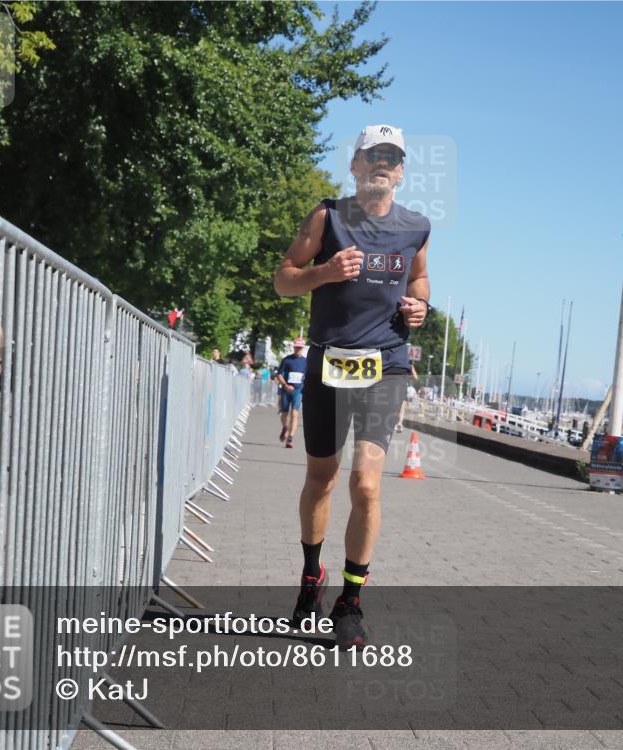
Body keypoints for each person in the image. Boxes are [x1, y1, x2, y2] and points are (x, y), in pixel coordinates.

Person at [273, 124, 430, 648]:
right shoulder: (328, 216)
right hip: (329, 362)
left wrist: (420, 305)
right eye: (372, 154)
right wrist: (324, 273)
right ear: (355, 165)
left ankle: (351, 601)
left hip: (386, 365)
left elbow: (419, 279)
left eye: (392, 156)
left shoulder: (417, 227)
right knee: (321, 479)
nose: (382, 162)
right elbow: (283, 278)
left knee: (366, 483)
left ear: (401, 172)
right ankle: (311, 578)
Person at [276, 338, 308, 448]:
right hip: (286, 390)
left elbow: (308, 377)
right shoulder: (287, 360)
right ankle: (285, 427)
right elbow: (279, 375)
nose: (298, 349)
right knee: (284, 413)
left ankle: (290, 438)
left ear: (303, 348)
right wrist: (285, 385)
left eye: (300, 348)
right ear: (294, 347)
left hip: (298, 391)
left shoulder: (306, 361)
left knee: (295, 414)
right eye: (296, 347)